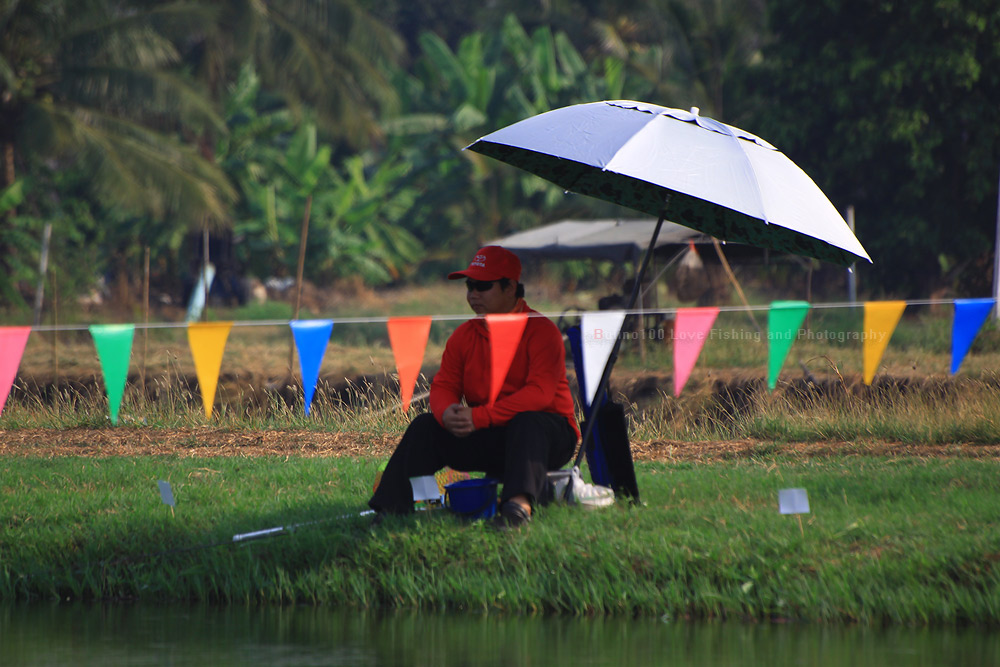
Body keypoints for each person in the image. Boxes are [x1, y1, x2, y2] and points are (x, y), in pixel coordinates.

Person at [369, 245, 580, 528]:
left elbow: (539, 395)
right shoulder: (464, 336)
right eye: (470, 286)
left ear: (511, 288)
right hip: (490, 431)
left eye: (483, 286)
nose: (473, 294)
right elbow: (444, 385)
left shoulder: (542, 331)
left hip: (547, 438)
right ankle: (400, 509)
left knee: (528, 422)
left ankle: (518, 509)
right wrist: (447, 413)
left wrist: (480, 417)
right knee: (425, 427)